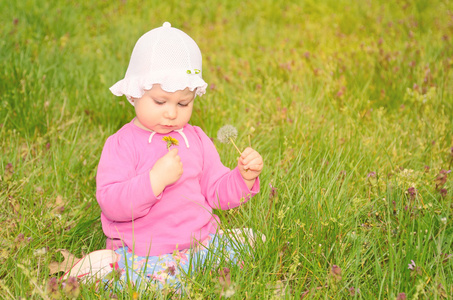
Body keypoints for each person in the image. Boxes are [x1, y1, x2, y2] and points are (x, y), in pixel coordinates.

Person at [95, 22, 263, 291]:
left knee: (255, 245)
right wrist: (153, 181)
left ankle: (193, 262)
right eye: (160, 102)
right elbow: (111, 203)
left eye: (183, 103)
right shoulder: (122, 144)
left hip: (199, 241)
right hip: (144, 251)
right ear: (134, 93)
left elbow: (216, 192)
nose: (172, 113)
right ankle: (106, 265)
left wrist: (242, 177)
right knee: (157, 285)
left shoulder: (195, 138)